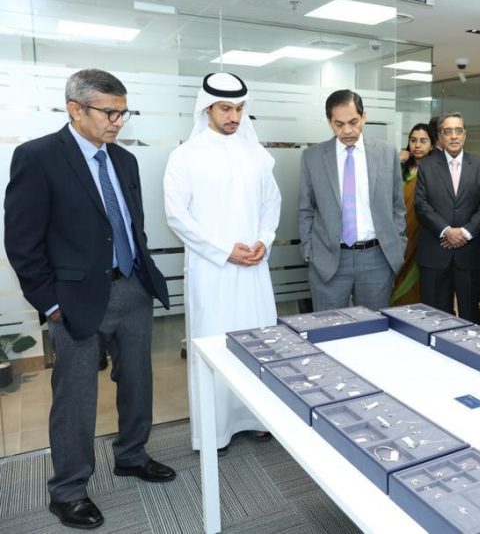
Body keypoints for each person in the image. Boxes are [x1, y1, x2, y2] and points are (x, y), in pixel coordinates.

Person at [4, 69, 174, 529]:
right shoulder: (37, 157)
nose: (119, 121)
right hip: (75, 301)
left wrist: (143, 278)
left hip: (132, 290)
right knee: (75, 399)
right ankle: (69, 490)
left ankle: (132, 456)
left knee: (138, 383)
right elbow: (22, 242)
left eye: (125, 112)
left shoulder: (123, 161)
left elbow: (130, 227)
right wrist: (50, 303)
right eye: (110, 112)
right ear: (75, 110)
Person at [164, 72, 280, 455]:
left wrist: (265, 239)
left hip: (253, 269)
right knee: (215, 347)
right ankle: (215, 432)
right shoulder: (185, 156)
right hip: (211, 270)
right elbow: (177, 216)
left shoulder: (258, 155)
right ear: (207, 108)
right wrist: (222, 250)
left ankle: (258, 419)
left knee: (257, 342)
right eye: (226, 108)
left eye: (240, 108)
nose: (234, 116)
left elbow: (271, 204)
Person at [298, 89, 406, 310]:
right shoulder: (313, 157)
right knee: (328, 330)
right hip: (329, 259)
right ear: (329, 122)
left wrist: (397, 244)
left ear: (364, 116)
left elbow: (397, 205)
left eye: (353, 122)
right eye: (339, 124)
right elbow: (305, 209)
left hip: (377, 258)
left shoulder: (386, 153)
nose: (347, 130)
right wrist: (310, 251)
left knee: (373, 332)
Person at [414, 112, 480, 322]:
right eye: (448, 132)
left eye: (458, 131)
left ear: (465, 135)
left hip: (469, 254)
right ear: (440, 136)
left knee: (470, 314)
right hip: (435, 253)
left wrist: (465, 232)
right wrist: (446, 231)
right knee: (435, 316)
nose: (454, 136)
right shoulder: (427, 166)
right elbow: (421, 204)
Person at [391, 123, 435, 305]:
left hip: (422, 236)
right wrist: (395, 163)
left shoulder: (436, 169)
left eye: (423, 141)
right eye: (413, 140)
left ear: (432, 145)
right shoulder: (401, 169)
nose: (417, 145)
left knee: (416, 285)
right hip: (398, 234)